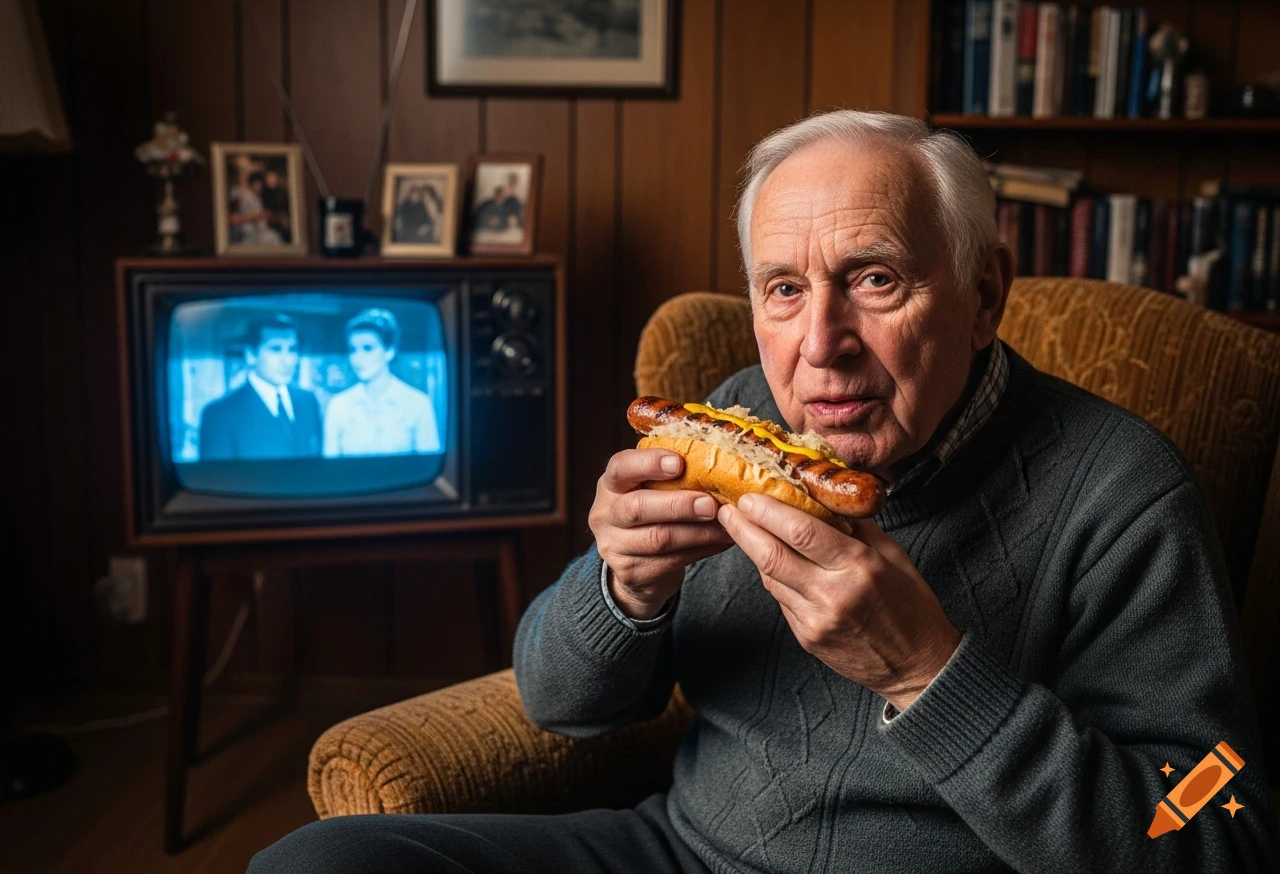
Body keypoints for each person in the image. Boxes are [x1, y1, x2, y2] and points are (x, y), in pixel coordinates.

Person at [248, 112, 1276, 873]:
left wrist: (927, 673)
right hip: (679, 853)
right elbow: (560, 704)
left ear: (980, 296)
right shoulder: (735, 412)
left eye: (873, 278)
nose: (818, 346)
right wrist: (620, 592)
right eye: (781, 288)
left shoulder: (1122, 490)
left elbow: (1209, 837)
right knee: (313, 865)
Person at [198, 314, 322, 460]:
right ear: (251, 355)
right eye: (275, 349)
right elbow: (216, 479)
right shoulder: (218, 413)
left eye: (292, 350)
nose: (287, 361)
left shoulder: (308, 400)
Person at [323, 308, 441, 456]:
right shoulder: (338, 406)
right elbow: (331, 469)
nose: (357, 358)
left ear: (389, 351)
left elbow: (428, 464)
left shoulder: (418, 404)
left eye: (368, 348)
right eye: (353, 350)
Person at [227, 156, 283, 246]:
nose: (259, 187)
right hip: (247, 233)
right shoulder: (239, 193)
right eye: (257, 184)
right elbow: (232, 218)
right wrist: (256, 217)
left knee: (275, 238)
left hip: (259, 232)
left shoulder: (256, 197)